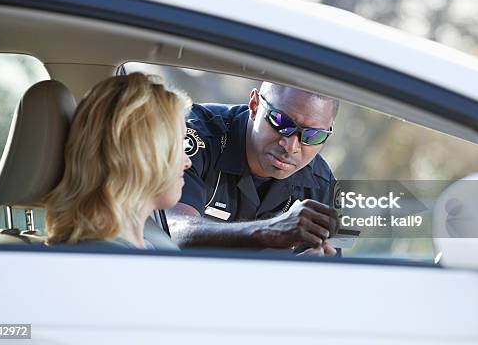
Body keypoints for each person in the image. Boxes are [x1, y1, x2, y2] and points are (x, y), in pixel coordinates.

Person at [166, 82, 340, 255]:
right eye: (281, 121)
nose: (291, 146)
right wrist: (268, 231)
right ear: (254, 105)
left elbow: (341, 267)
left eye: (313, 135)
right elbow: (172, 228)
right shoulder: (193, 136)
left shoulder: (325, 184)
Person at [45, 73, 192, 249]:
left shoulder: (134, 248)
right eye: (179, 144)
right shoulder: (106, 261)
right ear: (146, 153)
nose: (188, 162)